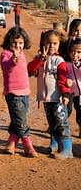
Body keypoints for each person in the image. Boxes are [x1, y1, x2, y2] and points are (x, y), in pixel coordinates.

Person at [28, 30, 73, 159]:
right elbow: (30, 70)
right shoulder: (39, 59)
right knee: (52, 122)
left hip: (58, 98)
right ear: (43, 43)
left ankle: (67, 149)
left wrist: (65, 94)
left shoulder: (59, 61)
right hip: (47, 99)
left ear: (59, 45)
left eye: (55, 43)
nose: (52, 46)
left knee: (61, 122)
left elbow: (63, 79)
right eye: (49, 43)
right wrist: (40, 60)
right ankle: (55, 144)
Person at [0, 26, 37, 157]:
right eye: (14, 43)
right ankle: (28, 145)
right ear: (9, 42)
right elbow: (6, 67)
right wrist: (13, 60)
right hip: (13, 93)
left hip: (25, 92)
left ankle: (11, 143)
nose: (17, 45)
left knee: (17, 119)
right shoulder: (6, 54)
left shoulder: (22, 54)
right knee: (20, 120)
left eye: (20, 43)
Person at [65, 37, 81, 138]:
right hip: (69, 92)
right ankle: (59, 125)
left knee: (80, 111)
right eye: (73, 52)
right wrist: (66, 79)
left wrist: (77, 64)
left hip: (80, 93)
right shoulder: (66, 64)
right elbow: (62, 75)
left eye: (79, 52)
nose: (75, 54)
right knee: (67, 109)